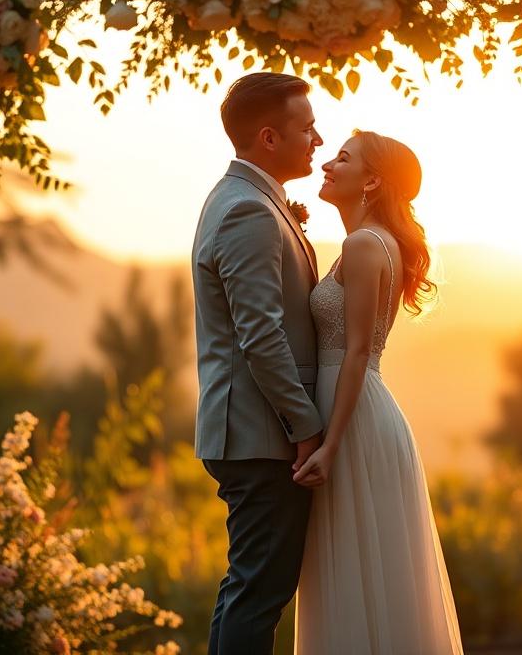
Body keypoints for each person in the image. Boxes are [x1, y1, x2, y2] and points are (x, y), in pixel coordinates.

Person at [292, 129, 464, 654]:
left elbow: (359, 352)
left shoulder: (365, 244)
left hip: (353, 420)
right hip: (354, 408)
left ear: (371, 181)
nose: (326, 164)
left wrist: (330, 444)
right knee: (361, 572)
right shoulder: (368, 242)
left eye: (341, 158)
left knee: (355, 567)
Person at [191, 72, 324, 654]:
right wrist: (307, 426)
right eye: (307, 127)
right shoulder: (249, 210)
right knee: (258, 593)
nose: (318, 139)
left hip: (251, 431)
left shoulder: (247, 199)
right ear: (269, 138)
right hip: (260, 434)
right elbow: (261, 337)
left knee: (249, 589)